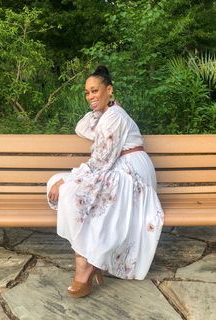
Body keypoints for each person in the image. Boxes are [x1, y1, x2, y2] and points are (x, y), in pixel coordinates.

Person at [47, 66, 164, 298]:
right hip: (119, 165)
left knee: (76, 192)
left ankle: (85, 263)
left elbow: (100, 162)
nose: (90, 96)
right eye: (87, 92)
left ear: (109, 89)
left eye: (95, 91)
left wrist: (70, 183)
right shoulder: (109, 115)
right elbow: (81, 128)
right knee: (63, 184)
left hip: (132, 174)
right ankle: (89, 258)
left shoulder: (115, 118)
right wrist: (101, 108)